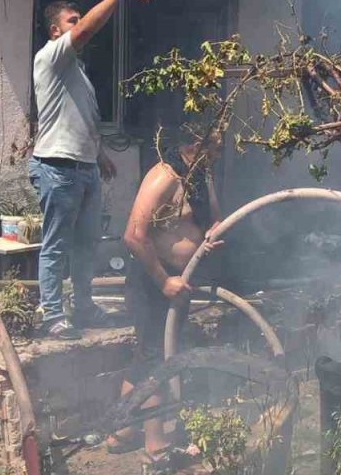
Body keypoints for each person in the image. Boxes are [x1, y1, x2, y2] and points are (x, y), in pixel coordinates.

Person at [30, 0, 155, 340]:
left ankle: (83, 307)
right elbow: (85, 31)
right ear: (55, 31)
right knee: (57, 245)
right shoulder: (51, 56)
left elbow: (79, 118)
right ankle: (53, 315)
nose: (79, 23)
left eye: (78, 19)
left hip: (82, 167)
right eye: (72, 20)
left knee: (86, 244)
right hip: (57, 166)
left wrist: (98, 156)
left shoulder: (77, 71)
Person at [106, 130, 225, 463]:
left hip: (179, 281)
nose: (220, 152)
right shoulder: (163, 177)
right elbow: (134, 236)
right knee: (156, 360)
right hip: (151, 282)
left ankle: (122, 432)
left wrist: (212, 231)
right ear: (196, 143)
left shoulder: (201, 175)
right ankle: (156, 446)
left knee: (147, 356)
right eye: (215, 146)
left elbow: (215, 216)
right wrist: (163, 281)